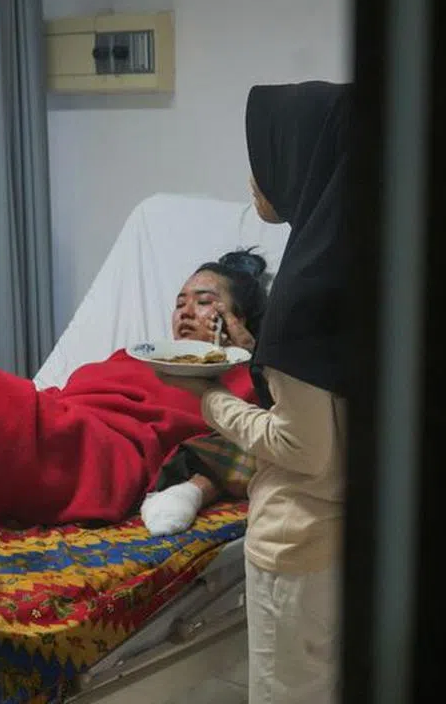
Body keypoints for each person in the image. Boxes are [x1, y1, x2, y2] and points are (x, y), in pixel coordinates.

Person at [160, 81, 350, 704]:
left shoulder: (300, 295)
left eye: (261, 160)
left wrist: (208, 394)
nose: (253, 181)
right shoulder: (359, 269)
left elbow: (302, 446)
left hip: (297, 543)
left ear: (300, 159)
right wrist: (254, 349)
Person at [0, 249, 267, 567]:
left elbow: (270, 432)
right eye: (180, 303)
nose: (186, 312)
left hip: (99, 452)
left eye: (205, 302)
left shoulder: (239, 382)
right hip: (54, 417)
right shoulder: (137, 356)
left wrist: (247, 350)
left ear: (235, 319)